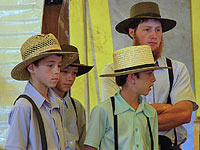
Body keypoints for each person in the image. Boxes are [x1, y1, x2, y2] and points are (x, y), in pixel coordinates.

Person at [101, 1, 198, 149]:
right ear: (132, 32)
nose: (154, 35)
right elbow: (117, 118)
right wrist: (166, 108)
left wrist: (136, 116)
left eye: (158, 30)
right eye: (147, 29)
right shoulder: (112, 71)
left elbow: (184, 114)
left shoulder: (177, 69)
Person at [84, 45, 170, 150]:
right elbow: (90, 147)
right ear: (132, 77)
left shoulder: (150, 113)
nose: (154, 79)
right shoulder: (103, 111)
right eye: (149, 74)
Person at [5, 33, 78, 150]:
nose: (56, 71)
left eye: (59, 66)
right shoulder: (24, 107)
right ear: (31, 67)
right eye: (50, 65)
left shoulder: (57, 103)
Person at [51, 44, 93, 150]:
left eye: (74, 73)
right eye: (65, 72)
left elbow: (82, 143)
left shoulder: (77, 107)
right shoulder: (44, 105)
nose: (70, 78)